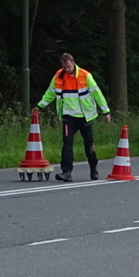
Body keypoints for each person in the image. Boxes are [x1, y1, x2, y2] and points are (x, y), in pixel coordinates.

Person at [36, 53, 111, 182]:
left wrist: (106, 111)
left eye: (68, 66)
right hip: (68, 116)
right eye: (64, 67)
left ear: (73, 62)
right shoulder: (59, 76)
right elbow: (50, 93)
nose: (67, 69)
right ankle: (66, 172)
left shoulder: (85, 75)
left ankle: (93, 168)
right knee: (67, 144)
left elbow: (97, 93)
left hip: (85, 116)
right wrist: (40, 106)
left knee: (89, 144)